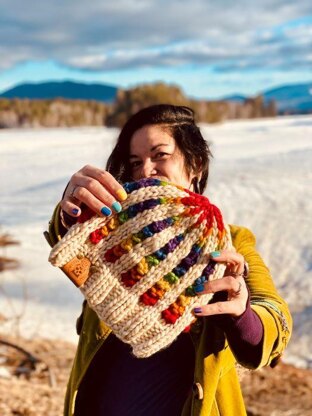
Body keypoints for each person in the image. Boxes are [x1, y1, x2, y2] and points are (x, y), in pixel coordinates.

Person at [46, 104, 292, 416]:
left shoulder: (231, 244)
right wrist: (71, 208)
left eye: (160, 155)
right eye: (135, 161)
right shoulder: (121, 227)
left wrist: (242, 315)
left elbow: (274, 321)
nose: (146, 170)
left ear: (196, 163)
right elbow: (67, 242)